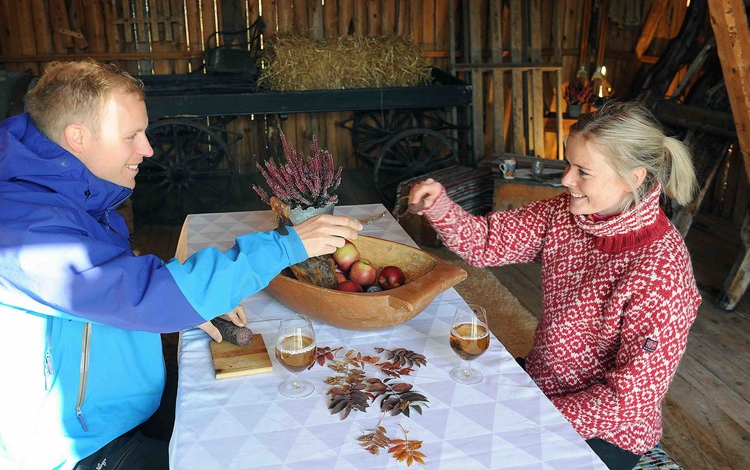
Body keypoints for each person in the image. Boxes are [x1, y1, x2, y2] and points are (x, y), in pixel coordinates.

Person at [0, 60, 362, 469]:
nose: (148, 149)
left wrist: (189, 303)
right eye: (132, 136)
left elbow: (111, 287)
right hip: (74, 448)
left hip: (119, 410)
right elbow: (136, 294)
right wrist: (286, 246)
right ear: (77, 136)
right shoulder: (23, 225)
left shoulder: (64, 189)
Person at [408, 101, 701, 470]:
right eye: (568, 164)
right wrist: (439, 206)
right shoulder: (564, 213)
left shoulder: (663, 274)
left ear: (634, 178)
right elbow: (485, 243)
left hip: (605, 432)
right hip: (542, 384)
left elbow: (627, 403)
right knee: (435, 402)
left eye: (583, 172)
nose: (566, 180)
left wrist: (527, 413)